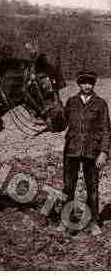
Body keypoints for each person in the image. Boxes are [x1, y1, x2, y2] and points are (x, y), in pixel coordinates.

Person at [59, 70, 110, 235]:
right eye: (84, 82)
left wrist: (103, 152)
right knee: (68, 187)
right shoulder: (71, 102)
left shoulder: (100, 104)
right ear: (79, 84)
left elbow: (106, 130)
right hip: (72, 150)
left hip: (92, 152)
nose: (87, 86)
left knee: (92, 188)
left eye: (90, 83)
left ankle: (94, 222)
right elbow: (60, 123)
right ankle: (65, 221)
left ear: (93, 84)